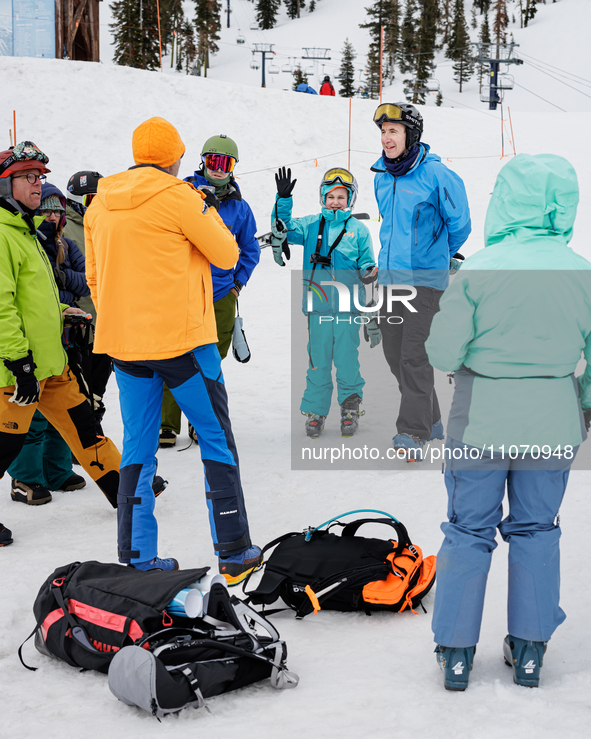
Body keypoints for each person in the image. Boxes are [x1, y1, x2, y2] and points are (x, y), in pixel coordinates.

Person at [425, 154, 591, 690]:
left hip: (481, 419)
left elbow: (443, 352)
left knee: (468, 529)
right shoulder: (582, 272)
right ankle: (530, 649)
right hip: (552, 420)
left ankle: (454, 651)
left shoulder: (480, 267)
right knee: (538, 529)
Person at [84, 117, 262, 583]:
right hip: (183, 342)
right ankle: (235, 549)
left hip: (125, 346)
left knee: (138, 449)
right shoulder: (183, 197)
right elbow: (226, 254)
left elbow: (95, 279)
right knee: (216, 439)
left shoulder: (99, 203)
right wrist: (202, 212)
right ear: (176, 158)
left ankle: (138, 555)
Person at [0, 142, 122, 546]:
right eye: (29, 177)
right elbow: (2, 308)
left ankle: (129, 496)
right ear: (5, 185)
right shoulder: (3, 235)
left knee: (87, 429)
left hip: (53, 364)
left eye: (40, 176)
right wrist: (19, 364)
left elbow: (34, 296)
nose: (39, 184)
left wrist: (61, 314)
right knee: (5, 445)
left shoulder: (26, 230)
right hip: (18, 372)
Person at [371, 102, 471, 461]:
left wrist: (439, 256)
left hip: (425, 281)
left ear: (411, 135)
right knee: (394, 355)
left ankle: (412, 433)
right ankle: (431, 419)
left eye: (393, 131)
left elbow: (460, 224)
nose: (386, 138)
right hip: (390, 279)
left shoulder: (437, 175)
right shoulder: (381, 176)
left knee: (414, 356)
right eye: (383, 132)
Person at [159, 134, 260, 448]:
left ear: (233, 168)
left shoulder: (239, 208)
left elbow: (250, 248)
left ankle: (200, 424)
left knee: (209, 362)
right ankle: (166, 423)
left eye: (225, 163)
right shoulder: (183, 192)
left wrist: (236, 284)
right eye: (213, 161)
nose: (218, 168)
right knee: (174, 357)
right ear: (202, 161)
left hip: (219, 295)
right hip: (182, 291)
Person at [271, 166, 377, 437]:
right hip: (317, 309)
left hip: (347, 308)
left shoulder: (359, 231)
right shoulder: (309, 225)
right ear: (322, 197)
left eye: (342, 197)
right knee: (318, 361)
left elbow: (367, 262)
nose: (336, 201)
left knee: (347, 360)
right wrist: (283, 202)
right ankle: (316, 411)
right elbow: (283, 229)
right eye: (331, 196)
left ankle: (350, 407)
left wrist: (368, 273)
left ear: (350, 200)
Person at [7, 183, 90, 503]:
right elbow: (32, 295)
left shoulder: (67, 245)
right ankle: (26, 477)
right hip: (33, 342)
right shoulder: (25, 245)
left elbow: (84, 282)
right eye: (46, 210)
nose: (52, 216)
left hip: (65, 338)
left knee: (64, 411)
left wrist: (63, 285)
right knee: (32, 414)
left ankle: (56, 470)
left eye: (57, 210)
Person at [64, 170, 112, 435]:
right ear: (75, 201)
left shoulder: (105, 224)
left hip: (104, 323)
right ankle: (85, 437)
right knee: (78, 386)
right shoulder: (64, 228)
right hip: (79, 325)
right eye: (92, 200)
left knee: (98, 385)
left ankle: (91, 429)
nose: (99, 205)